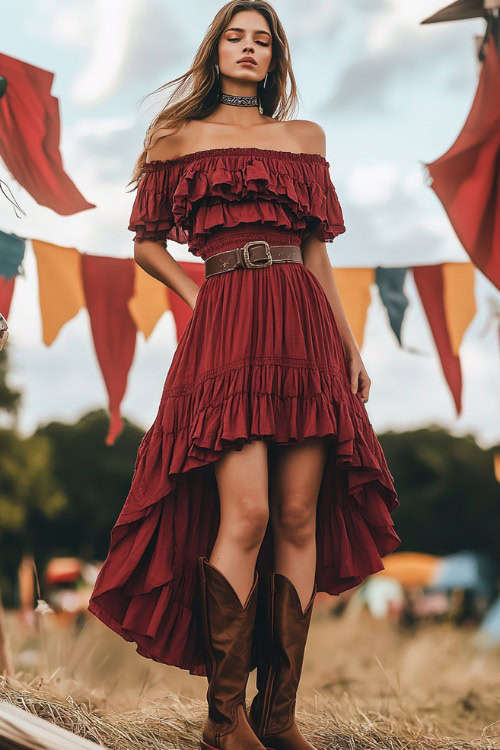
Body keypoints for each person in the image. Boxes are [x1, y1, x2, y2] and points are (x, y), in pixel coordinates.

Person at [87, 2, 401, 748]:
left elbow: (318, 251)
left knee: (298, 515)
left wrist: (350, 344)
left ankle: (277, 716)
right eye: (237, 36)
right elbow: (145, 243)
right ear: (216, 48)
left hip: (304, 324)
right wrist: (200, 292)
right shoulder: (177, 138)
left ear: (276, 56)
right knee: (250, 514)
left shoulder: (305, 139)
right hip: (228, 324)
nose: (249, 48)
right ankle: (224, 721)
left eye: (263, 40)